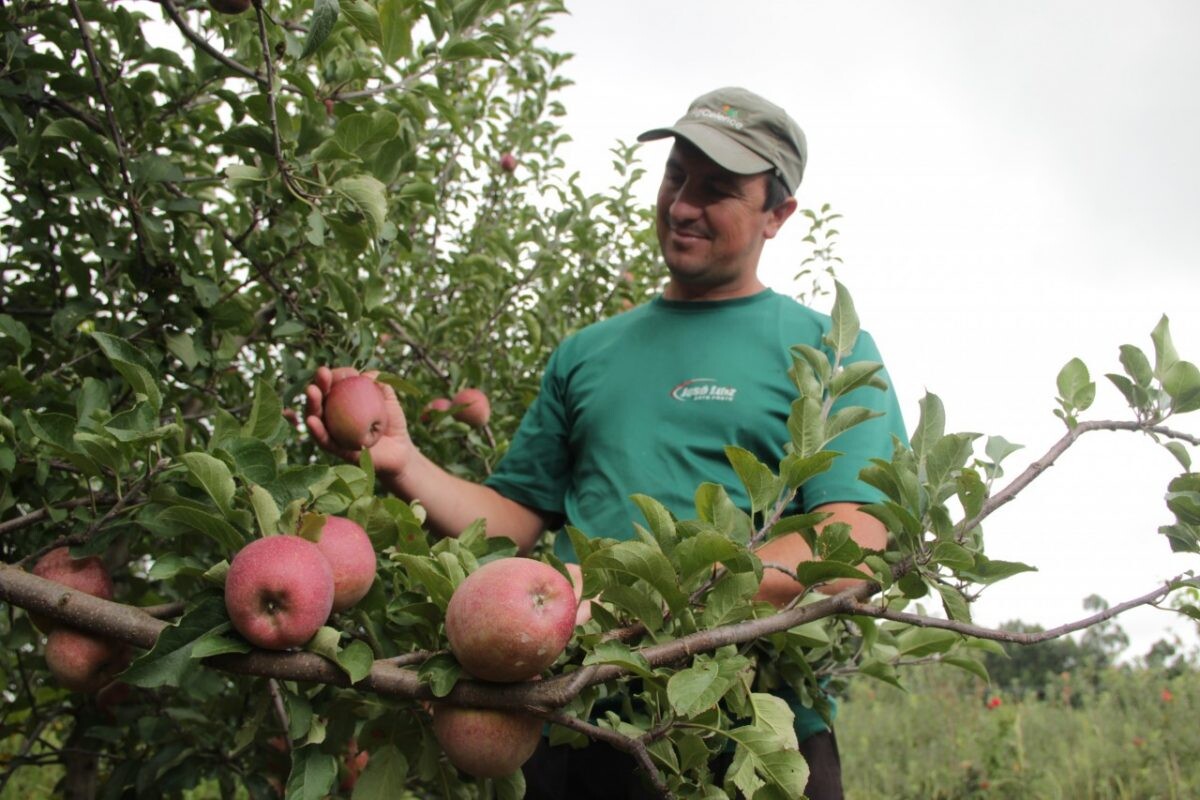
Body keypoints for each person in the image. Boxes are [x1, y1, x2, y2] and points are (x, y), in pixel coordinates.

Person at [307, 86, 908, 800]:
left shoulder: (827, 350)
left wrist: (645, 598)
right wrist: (403, 462)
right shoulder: (588, 353)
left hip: (746, 725)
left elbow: (856, 544)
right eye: (676, 174)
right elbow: (512, 518)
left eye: (717, 189)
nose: (683, 204)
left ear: (778, 215)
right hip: (573, 712)